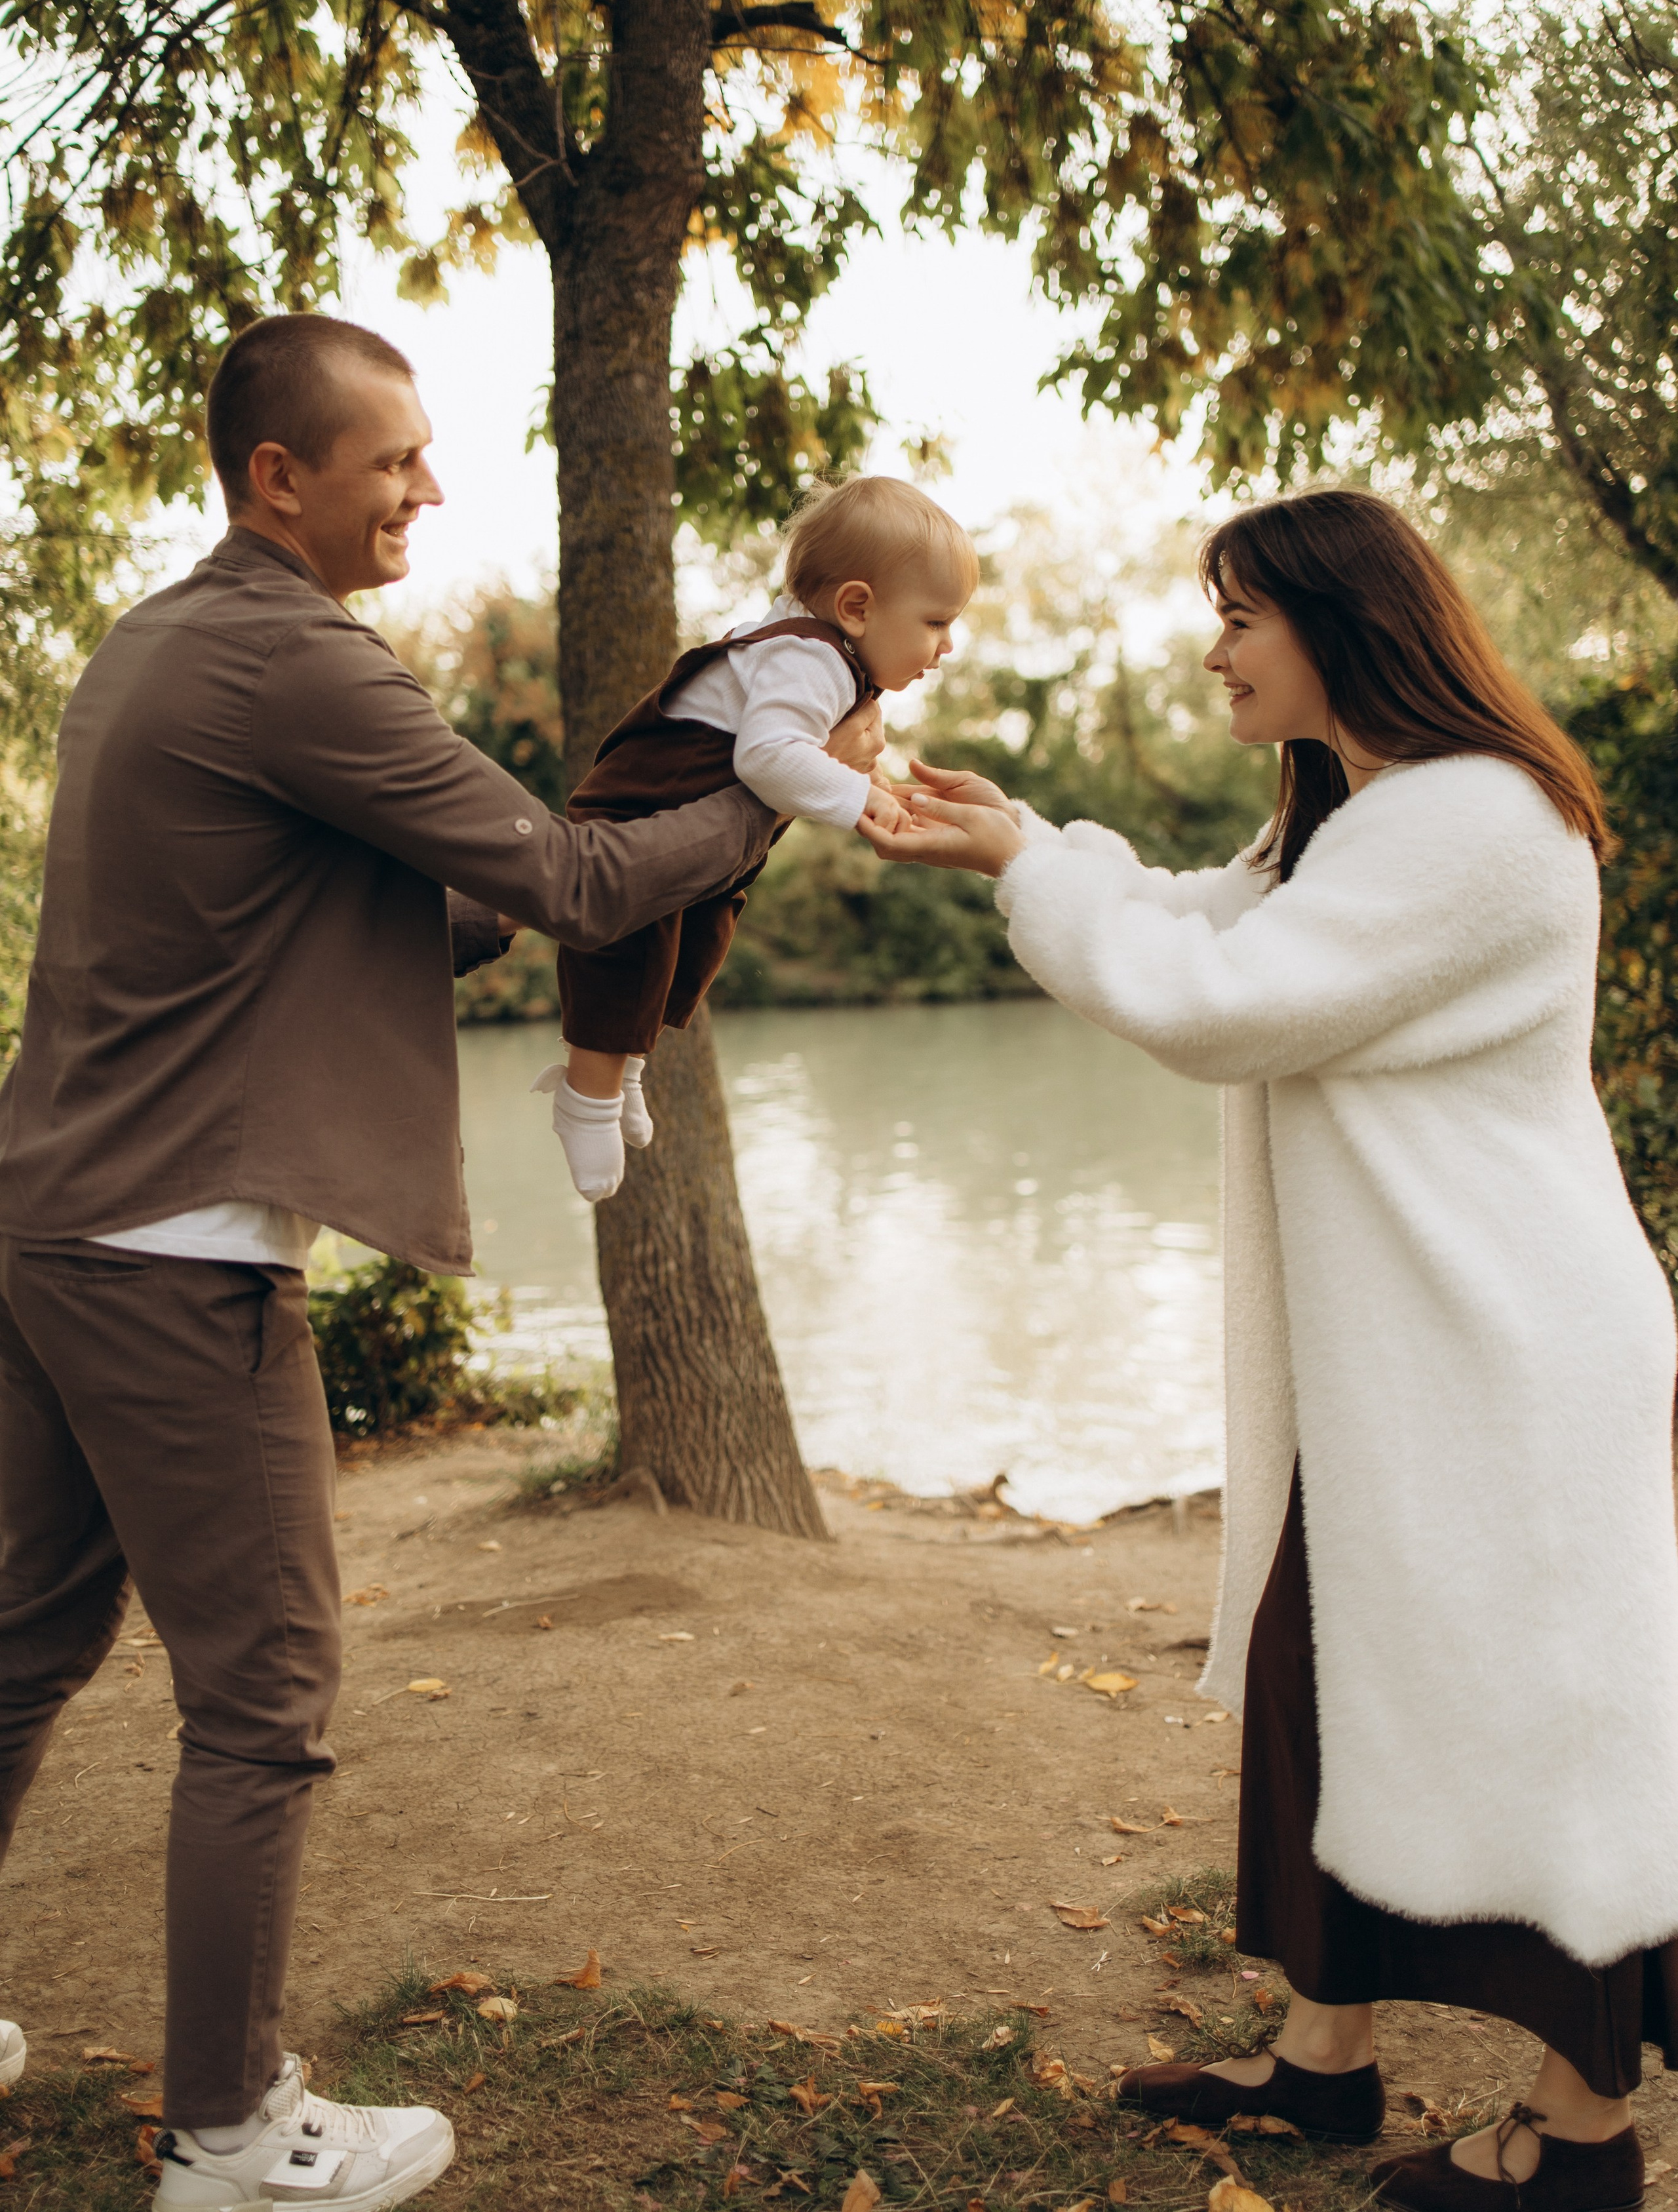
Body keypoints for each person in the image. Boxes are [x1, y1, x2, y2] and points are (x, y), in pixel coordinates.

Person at [0, 313, 876, 2210]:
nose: (431, 487)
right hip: (179, 1252)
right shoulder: (294, 657)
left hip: (57, 1220)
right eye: (395, 457)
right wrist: (778, 787)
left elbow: (347, 937)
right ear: (276, 481)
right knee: (267, 1696)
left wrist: (608, 871)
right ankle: (229, 2135)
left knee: (21, 1644)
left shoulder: (163, 642)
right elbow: (573, 881)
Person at [860, 488, 1678, 2212]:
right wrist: (1038, 839)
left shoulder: (1473, 819)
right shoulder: (1365, 812)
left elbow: (1212, 1006)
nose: (1215, 644)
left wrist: (1024, 870)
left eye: (1240, 614)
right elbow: (1202, 920)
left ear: (1342, 623)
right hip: (1416, 1366)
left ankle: (1584, 2140)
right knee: (1322, 1675)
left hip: (1513, 1364)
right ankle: (1321, 2065)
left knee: (1559, 1734)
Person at [541, 475, 978, 1201]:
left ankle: (624, 1068)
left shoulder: (830, 653)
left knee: (697, 935)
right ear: (857, 607)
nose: (948, 645)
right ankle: (585, 1096)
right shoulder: (809, 658)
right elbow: (768, 758)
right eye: (936, 622)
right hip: (644, 800)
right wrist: (860, 798)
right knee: (629, 937)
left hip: (698, 810)